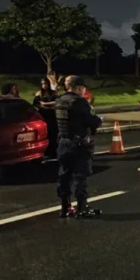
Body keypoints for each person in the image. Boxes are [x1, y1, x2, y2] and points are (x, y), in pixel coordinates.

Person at [55, 76, 102, 218]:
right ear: (79, 87)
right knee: (80, 177)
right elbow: (92, 121)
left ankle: (65, 207)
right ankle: (82, 208)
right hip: (79, 145)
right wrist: (99, 120)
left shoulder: (60, 101)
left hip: (63, 143)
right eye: (83, 88)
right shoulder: (79, 102)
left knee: (64, 175)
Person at [33, 78, 58, 159]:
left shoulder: (53, 93)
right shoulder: (39, 93)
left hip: (52, 115)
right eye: (43, 84)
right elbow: (36, 103)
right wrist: (43, 106)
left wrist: (46, 104)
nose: (44, 85)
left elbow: (57, 102)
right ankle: (45, 151)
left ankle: (53, 151)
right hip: (43, 115)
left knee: (53, 133)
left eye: (45, 83)